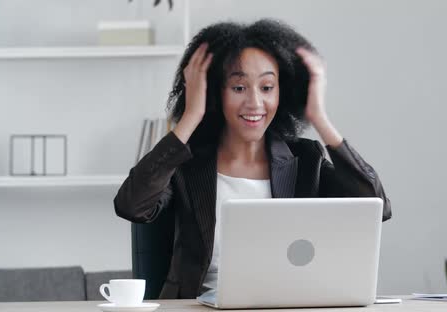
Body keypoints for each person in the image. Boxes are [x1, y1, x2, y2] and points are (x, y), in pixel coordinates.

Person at [114, 19, 391, 299]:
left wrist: (319, 117)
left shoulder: (307, 159)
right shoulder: (186, 164)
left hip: (285, 303)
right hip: (198, 305)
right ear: (212, 92)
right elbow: (132, 205)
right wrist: (191, 116)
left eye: (267, 87)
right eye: (239, 88)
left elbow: (376, 207)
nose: (255, 103)